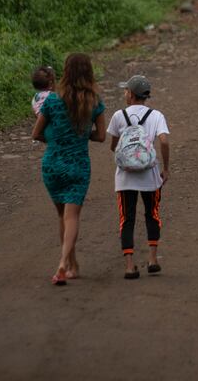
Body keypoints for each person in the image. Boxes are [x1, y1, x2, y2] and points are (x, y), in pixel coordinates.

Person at [31, 53, 106, 285]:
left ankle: (72, 265)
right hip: (78, 165)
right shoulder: (95, 102)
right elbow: (101, 136)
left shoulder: (52, 101)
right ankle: (65, 263)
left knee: (61, 216)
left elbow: (36, 134)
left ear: (66, 72)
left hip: (52, 164)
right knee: (71, 216)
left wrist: (57, 141)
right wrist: (81, 136)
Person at [106, 75, 170, 279]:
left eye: (126, 91)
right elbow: (164, 141)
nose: (125, 93)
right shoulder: (156, 115)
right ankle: (152, 259)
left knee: (127, 219)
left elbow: (113, 146)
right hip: (150, 176)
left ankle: (129, 266)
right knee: (152, 214)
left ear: (131, 94)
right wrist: (165, 168)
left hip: (125, 179)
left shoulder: (118, 116)